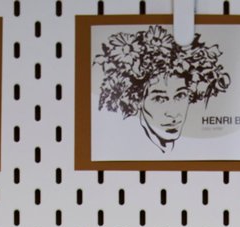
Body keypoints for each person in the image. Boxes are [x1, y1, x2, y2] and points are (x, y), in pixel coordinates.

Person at [94, 26, 231, 154]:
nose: (173, 114)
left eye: (180, 95)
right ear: (137, 100)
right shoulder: (123, 149)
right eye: (160, 98)